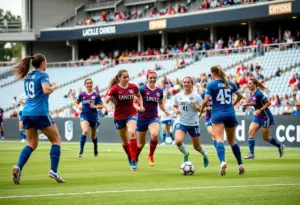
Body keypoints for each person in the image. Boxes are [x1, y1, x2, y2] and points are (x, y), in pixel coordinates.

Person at [11, 53, 64, 184]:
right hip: (40, 112)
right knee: (56, 140)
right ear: (42, 63)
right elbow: (46, 90)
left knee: (32, 144)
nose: (46, 64)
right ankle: (53, 170)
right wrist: (54, 87)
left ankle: (18, 166)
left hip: (27, 112)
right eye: (45, 62)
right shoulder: (43, 75)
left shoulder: (28, 76)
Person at [200, 65, 244, 176]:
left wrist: (201, 111)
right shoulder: (230, 83)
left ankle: (223, 162)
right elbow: (240, 96)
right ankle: (240, 164)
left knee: (219, 139)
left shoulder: (211, 85)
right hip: (230, 114)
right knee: (232, 141)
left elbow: (205, 101)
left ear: (213, 73)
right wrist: (232, 104)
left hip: (218, 114)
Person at [104, 69, 144, 171]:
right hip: (118, 117)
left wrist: (141, 105)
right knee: (125, 142)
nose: (126, 79)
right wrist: (107, 107)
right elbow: (105, 101)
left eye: (127, 77)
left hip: (131, 114)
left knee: (132, 133)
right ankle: (130, 157)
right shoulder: (114, 89)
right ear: (119, 78)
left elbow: (139, 95)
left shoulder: (133, 87)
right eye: (124, 77)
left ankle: (134, 159)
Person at [243, 79, 286, 159]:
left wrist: (260, 110)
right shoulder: (251, 93)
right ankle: (251, 154)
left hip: (266, 117)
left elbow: (268, 103)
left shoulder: (259, 93)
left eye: (250, 84)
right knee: (251, 132)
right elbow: (256, 103)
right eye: (248, 83)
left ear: (255, 85)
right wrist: (248, 104)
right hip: (258, 117)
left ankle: (280, 146)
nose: (248, 85)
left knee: (265, 138)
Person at [133, 70, 168, 166]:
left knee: (155, 134)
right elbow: (134, 103)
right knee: (141, 144)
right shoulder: (142, 89)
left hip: (153, 117)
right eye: (150, 78)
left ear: (156, 78)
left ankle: (151, 155)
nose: (152, 79)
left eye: (154, 78)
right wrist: (139, 108)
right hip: (142, 118)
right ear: (147, 78)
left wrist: (165, 110)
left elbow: (160, 103)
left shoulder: (159, 91)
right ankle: (135, 158)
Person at [173, 76, 209, 168]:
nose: (186, 84)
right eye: (184, 82)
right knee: (178, 141)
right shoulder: (178, 96)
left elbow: (203, 110)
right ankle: (186, 154)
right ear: (182, 84)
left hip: (193, 123)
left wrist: (197, 107)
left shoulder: (197, 96)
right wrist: (175, 110)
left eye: (188, 82)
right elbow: (175, 106)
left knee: (197, 147)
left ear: (192, 84)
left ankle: (205, 156)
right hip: (181, 122)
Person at [75, 78, 104, 158]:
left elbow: (101, 105)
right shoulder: (82, 95)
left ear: (92, 84)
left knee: (93, 136)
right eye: (87, 83)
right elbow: (76, 103)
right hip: (84, 115)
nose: (89, 84)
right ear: (85, 85)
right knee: (84, 131)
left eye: (90, 83)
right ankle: (81, 151)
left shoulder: (96, 95)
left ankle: (95, 148)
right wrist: (78, 107)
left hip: (93, 117)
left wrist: (95, 106)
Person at [200, 82, 216, 149]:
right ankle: (219, 148)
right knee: (213, 134)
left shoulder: (215, 94)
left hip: (216, 117)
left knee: (215, 136)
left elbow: (219, 106)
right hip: (208, 118)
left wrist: (211, 108)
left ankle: (219, 149)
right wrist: (206, 109)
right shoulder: (203, 95)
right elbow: (201, 107)